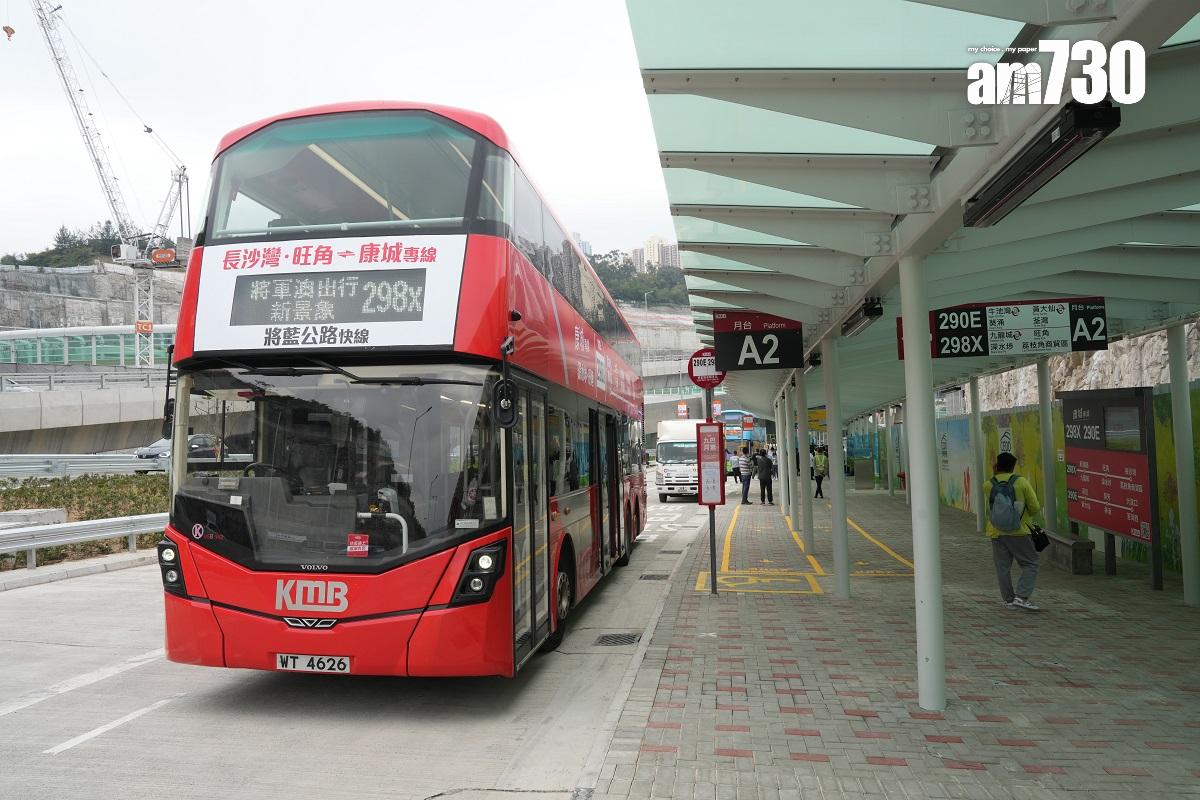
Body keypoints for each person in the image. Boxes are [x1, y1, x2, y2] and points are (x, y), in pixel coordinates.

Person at [987, 451, 1043, 611]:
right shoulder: (1022, 482)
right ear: (1013, 466)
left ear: (996, 466)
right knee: (1031, 563)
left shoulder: (988, 484)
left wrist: (995, 473)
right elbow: (1035, 507)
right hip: (1019, 531)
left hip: (996, 532)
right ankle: (1022, 597)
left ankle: (1009, 599)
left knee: (1002, 567)